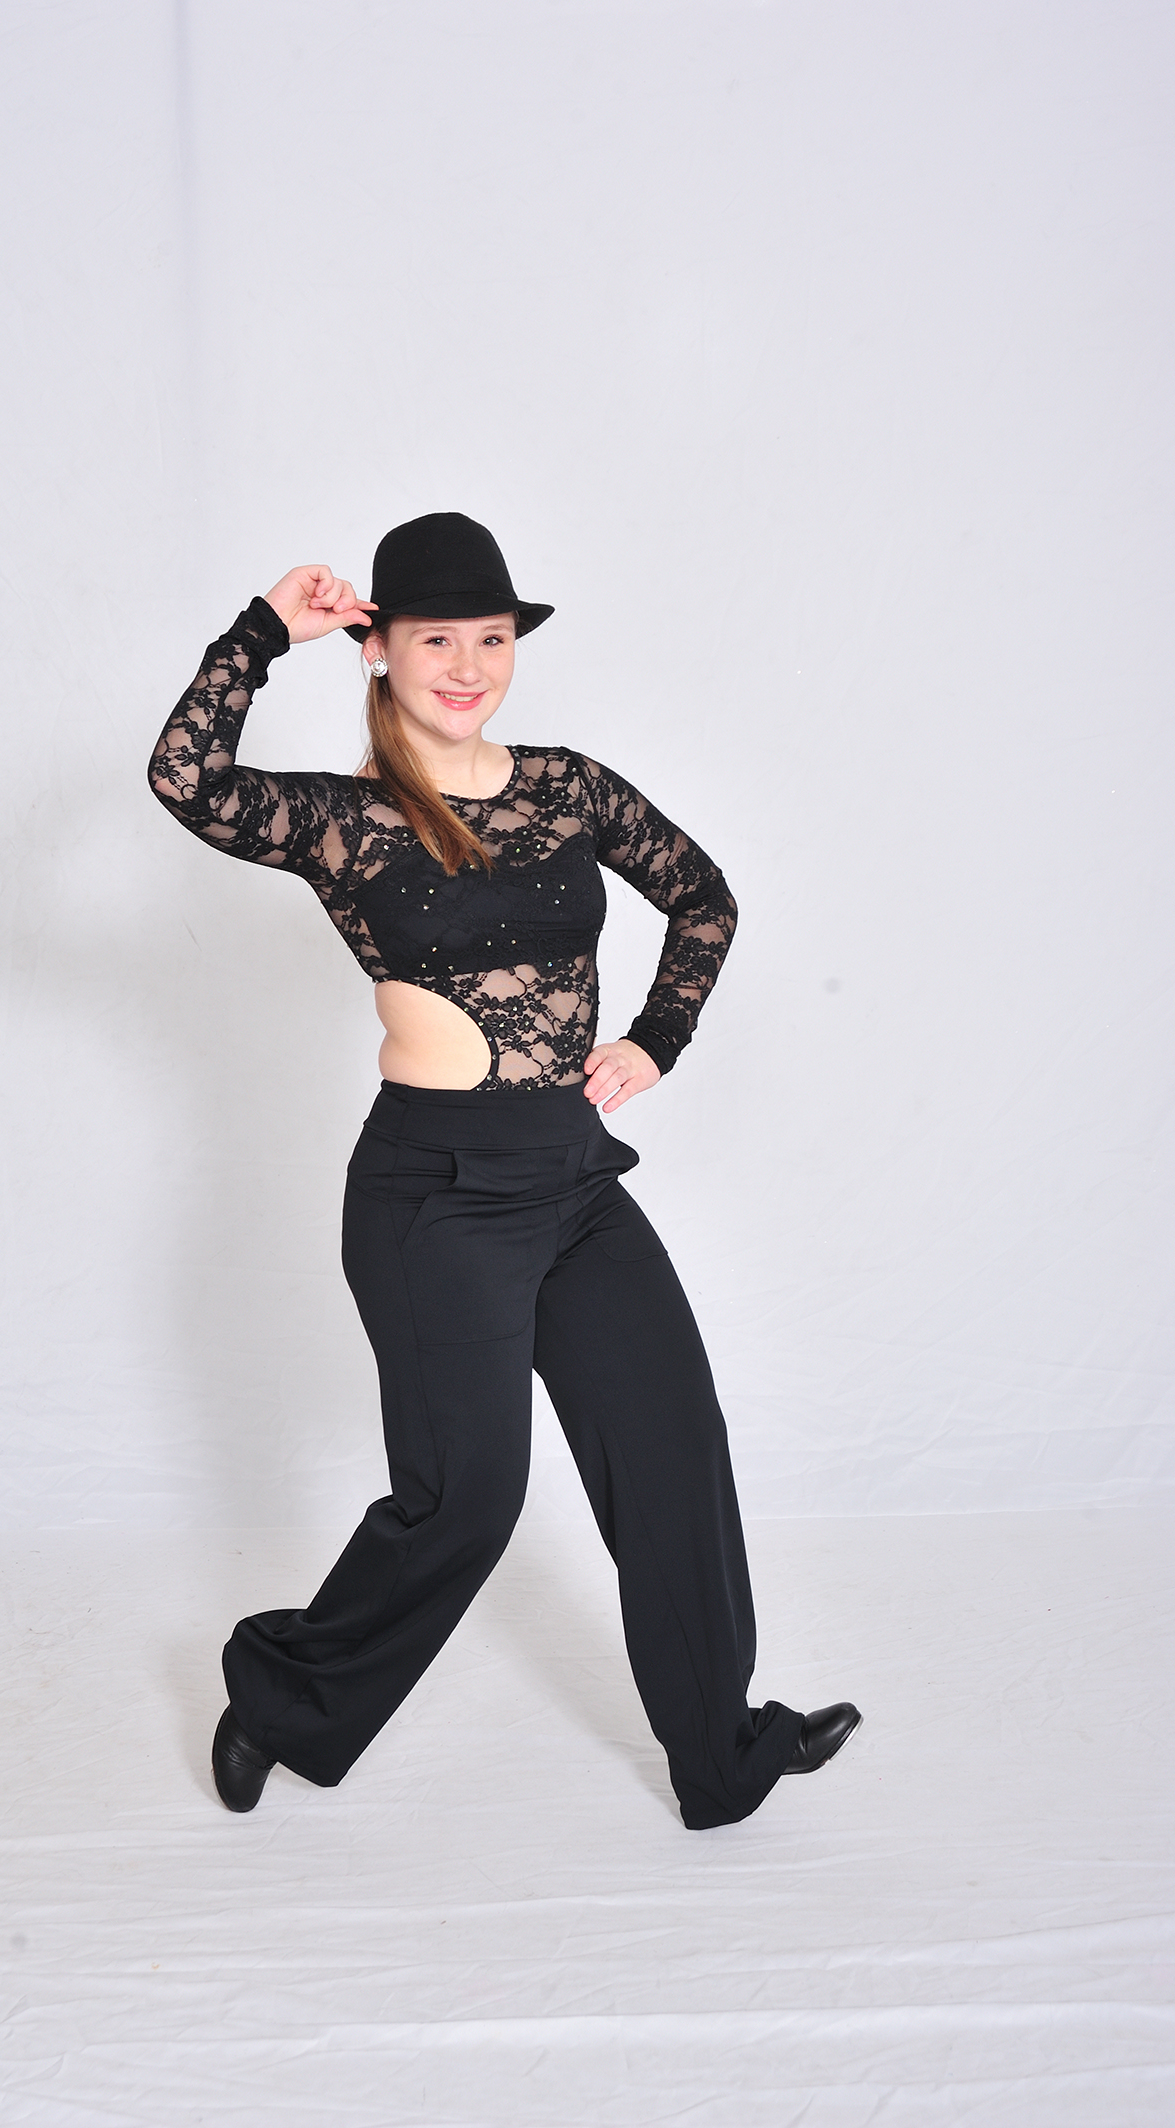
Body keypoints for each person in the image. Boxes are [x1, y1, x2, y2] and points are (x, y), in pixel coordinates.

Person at [148, 512, 860, 1830]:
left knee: (672, 1454)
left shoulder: (568, 787)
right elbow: (188, 782)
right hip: (438, 1198)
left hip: (575, 1184)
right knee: (466, 1504)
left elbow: (703, 896)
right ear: (379, 649)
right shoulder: (345, 821)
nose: (468, 666)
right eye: (436, 640)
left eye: (490, 638)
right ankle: (283, 1702)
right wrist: (263, 633)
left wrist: (656, 1038)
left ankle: (721, 1754)